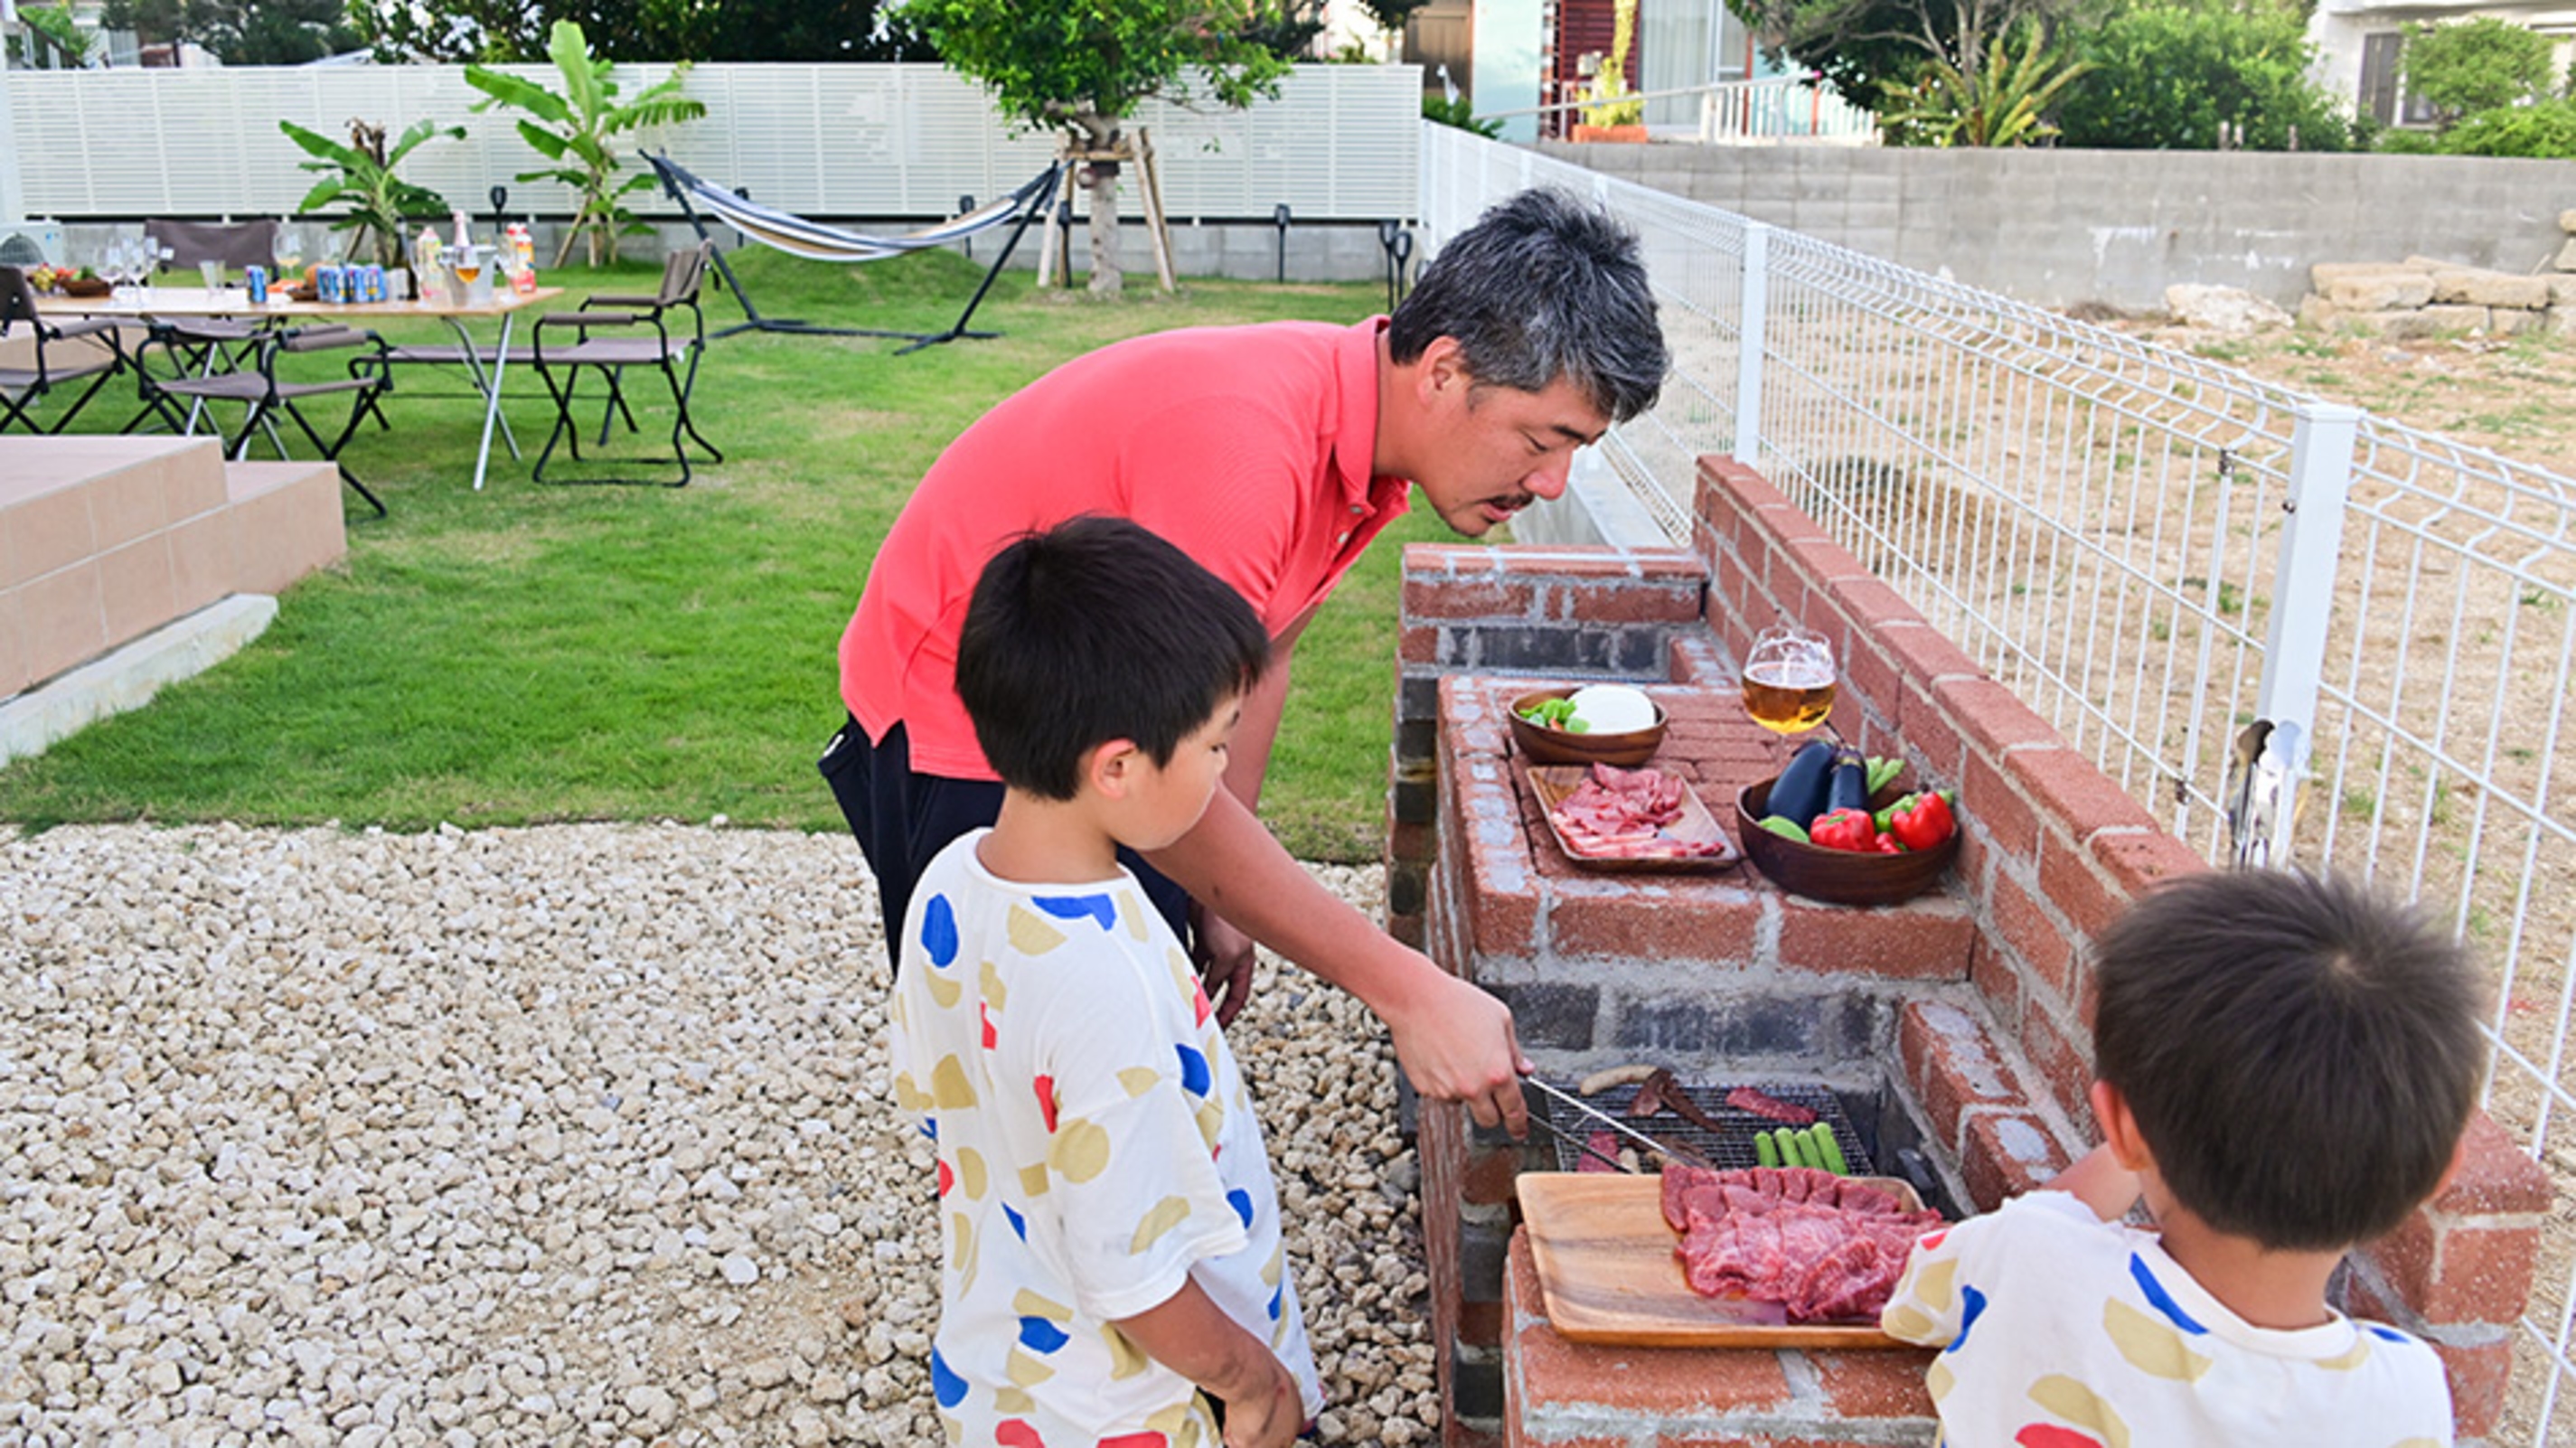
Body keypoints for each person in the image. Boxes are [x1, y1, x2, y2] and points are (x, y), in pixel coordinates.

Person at [824, 186, 1669, 1136]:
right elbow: (1152, 759)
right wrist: (1411, 992)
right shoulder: (1251, 457)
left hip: (1101, 726)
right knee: (1031, 1096)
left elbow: (1256, 661)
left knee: (1114, 1064)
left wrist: (1208, 894)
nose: (1552, 481)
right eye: (1542, 439)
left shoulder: (1352, 432)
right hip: (971, 727)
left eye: (1578, 452)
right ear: (1442, 370)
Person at [889, 517, 1319, 1445]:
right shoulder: (1101, 984)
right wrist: (1250, 1383)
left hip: (1004, 1370)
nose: (1221, 777)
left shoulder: (954, 880)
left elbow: (946, 1104)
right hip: (1136, 1410)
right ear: (1118, 767)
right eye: (1214, 747)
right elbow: (1136, 1274)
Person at [1880, 869, 2487, 1445]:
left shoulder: (2033, 1259)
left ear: (2119, 1125)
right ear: (2439, 1175)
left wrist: (2139, 1140)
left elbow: (1913, 1302)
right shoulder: (2408, 1395)